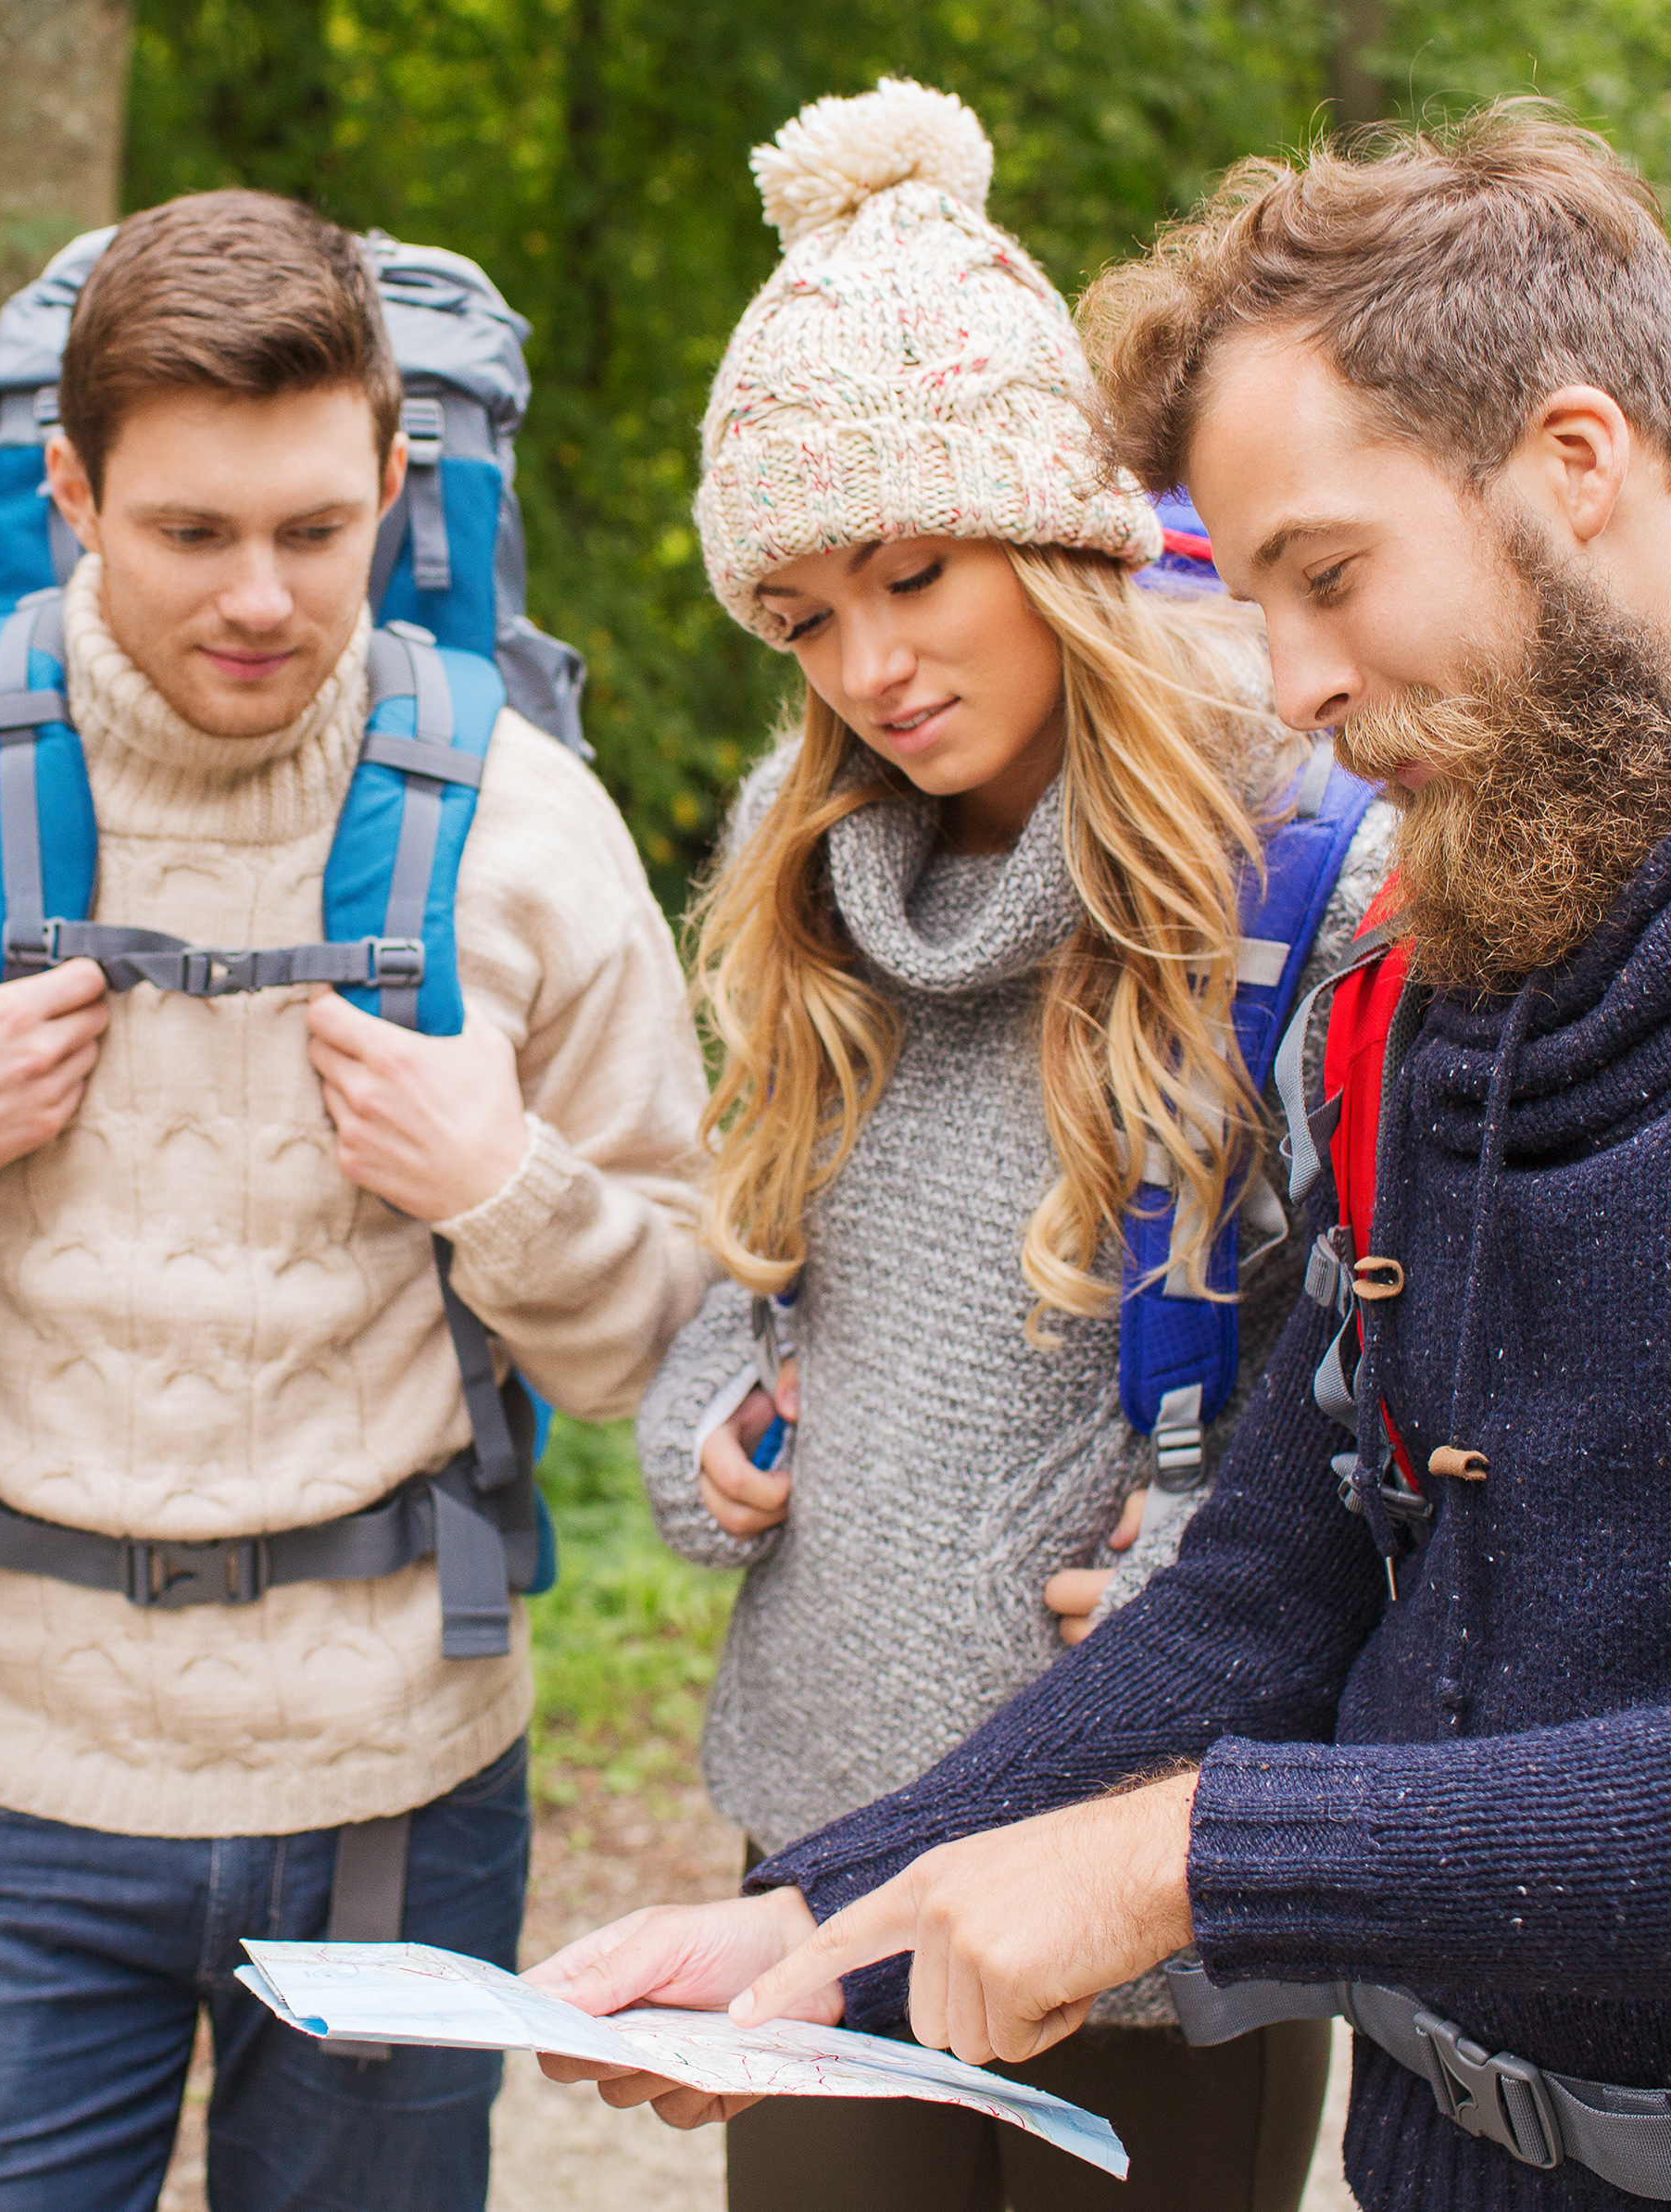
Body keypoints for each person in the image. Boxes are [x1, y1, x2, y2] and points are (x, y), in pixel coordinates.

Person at [534, 103, 1671, 2212]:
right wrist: (825, 1923)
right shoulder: (1449, 979)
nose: (1294, 684)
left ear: (1573, 463)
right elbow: (1274, 1580)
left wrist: (1178, 1862)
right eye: (1253, 599)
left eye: (1327, 577)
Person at [0, 190, 709, 2211]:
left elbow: (682, 1326)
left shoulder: (527, 827)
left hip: (400, 1774)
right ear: (67, 493)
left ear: (397, 484)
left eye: (317, 532)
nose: (260, 599)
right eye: (190, 532)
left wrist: (507, 1189)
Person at [618, 79, 1369, 2212]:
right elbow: (744, 1252)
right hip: (827, 1827)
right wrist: (712, 1420)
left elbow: (1381, 1355)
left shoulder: (1292, 865)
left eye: (914, 575)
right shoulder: (798, 861)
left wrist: (1197, 1553)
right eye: (802, 617)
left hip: (1138, 1837)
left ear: (1053, 531)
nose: (869, 667)